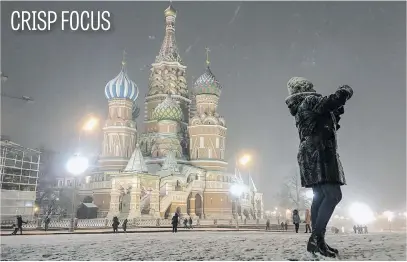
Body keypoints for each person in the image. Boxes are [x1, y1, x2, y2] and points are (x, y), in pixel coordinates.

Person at [285, 77, 353, 258]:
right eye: (309, 85)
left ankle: (318, 242)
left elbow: (323, 120)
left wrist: (335, 112)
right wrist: (344, 91)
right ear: (305, 88)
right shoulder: (310, 100)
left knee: (320, 196)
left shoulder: (301, 106)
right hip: (320, 153)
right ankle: (316, 238)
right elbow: (331, 101)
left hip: (309, 153)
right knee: (333, 195)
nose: (313, 87)